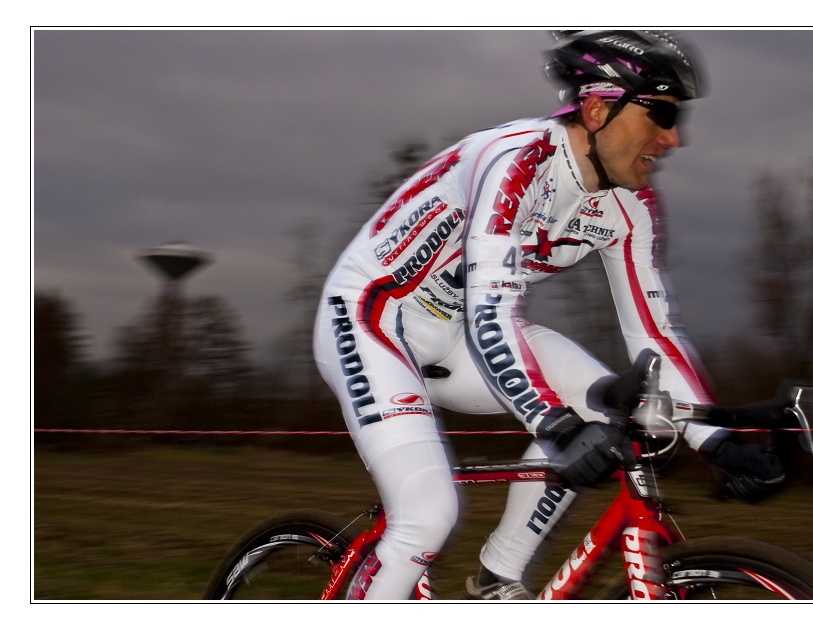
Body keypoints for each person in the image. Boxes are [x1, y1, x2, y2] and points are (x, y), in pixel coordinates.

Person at [313, 30, 784, 601]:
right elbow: (492, 313)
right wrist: (556, 427)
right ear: (597, 109)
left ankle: (496, 578)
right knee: (428, 516)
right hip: (372, 317)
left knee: (604, 404)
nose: (673, 138)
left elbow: (654, 332)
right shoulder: (516, 162)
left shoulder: (630, 205)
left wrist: (717, 442)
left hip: (458, 334)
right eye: (661, 113)